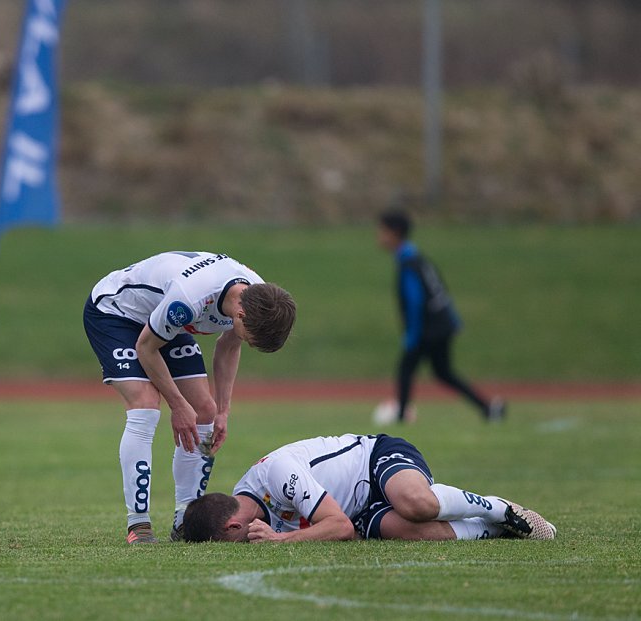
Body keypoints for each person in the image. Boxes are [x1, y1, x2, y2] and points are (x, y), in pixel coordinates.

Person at [84, 251, 297, 544]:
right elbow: (146, 348)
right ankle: (139, 524)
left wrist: (223, 411)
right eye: (249, 337)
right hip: (116, 312)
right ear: (240, 314)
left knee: (205, 412)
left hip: (160, 318)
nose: (245, 341)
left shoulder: (257, 295)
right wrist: (177, 404)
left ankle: (184, 520)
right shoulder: (190, 299)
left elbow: (229, 346)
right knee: (146, 405)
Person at [180, 432, 555, 543]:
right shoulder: (244, 509)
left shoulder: (277, 475)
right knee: (415, 533)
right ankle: (492, 530)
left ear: (232, 526)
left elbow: (337, 526)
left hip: (375, 459)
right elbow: (346, 528)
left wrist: (280, 541)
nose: (242, 546)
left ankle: (496, 508)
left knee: (414, 503)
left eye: (231, 543)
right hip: (358, 512)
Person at [376, 209, 505, 423]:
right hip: (441, 325)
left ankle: (401, 416)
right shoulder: (417, 258)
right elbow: (439, 291)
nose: (379, 237)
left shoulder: (409, 263)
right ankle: (488, 408)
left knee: (406, 369)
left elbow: (416, 300)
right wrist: (453, 321)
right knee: (443, 372)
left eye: (382, 231)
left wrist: (412, 335)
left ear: (395, 233)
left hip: (429, 329)